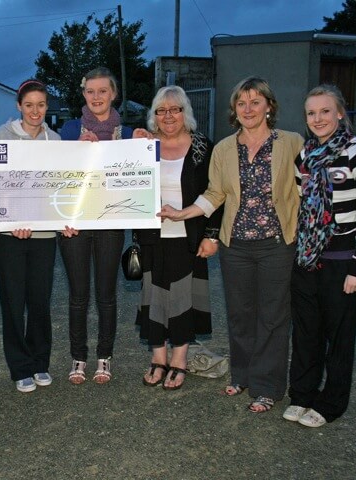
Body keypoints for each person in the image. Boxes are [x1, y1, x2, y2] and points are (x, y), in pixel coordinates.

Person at [162, 77, 303, 412]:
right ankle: (242, 375)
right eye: (242, 103)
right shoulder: (224, 149)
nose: (248, 109)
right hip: (235, 244)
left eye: (256, 102)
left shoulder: (292, 143)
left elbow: (309, 187)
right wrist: (183, 213)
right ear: (234, 110)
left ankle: (267, 387)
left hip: (277, 243)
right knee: (240, 314)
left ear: (269, 106)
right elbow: (215, 194)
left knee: (273, 316)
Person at [283, 85, 356, 428]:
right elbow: (301, 207)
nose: (318, 119)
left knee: (339, 338)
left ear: (340, 113)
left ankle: (331, 404)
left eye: (325, 111)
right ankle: (302, 395)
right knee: (306, 333)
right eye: (311, 113)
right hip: (307, 261)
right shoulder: (304, 156)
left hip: (342, 262)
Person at [132, 86, 221, 390]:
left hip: (189, 235)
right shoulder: (143, 146)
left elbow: (216, 193)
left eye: (175, 109)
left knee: (183, 297)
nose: (168, 116)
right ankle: (158, 357)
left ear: (186, 112)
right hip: (151, 236)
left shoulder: (203, 148)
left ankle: (179, 359)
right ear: (153, 115)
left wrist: (212, 236)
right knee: (155, 296)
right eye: (161, 110)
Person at [59, 67, 133, 385]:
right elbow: (55, 175)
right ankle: (78, 358)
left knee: (106, 295)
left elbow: (141, 175)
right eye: (91, 91)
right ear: (84, 94)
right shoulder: (68, 129)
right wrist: (76, 149)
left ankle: (104, 357)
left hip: (111, 221)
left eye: (103, 91)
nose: (97, 97)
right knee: (78, 295)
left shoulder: (128, 134)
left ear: (114, 94)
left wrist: (148, 142)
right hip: (74, 222)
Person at [0, 79, 61, 393]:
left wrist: (66, 220)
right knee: (13, 301)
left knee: (39, 301)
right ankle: (20, 367)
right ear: (19, 106)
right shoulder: (1, 139)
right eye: (29, 105)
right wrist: (12, 221)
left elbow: (62, 188)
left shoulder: (56, 140)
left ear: (47, 107)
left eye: (41, 105)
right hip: (10, 235)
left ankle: (39, 362)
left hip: (44, 235)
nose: (36, 111)